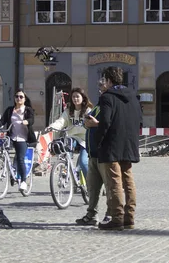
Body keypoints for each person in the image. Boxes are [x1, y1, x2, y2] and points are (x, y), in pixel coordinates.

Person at [94, 66, 142, 231]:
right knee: (128, 180)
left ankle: (117, 218)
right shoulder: (133, 96)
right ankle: (129, 218)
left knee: (115, 181)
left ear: (108, 80)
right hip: (129, 144)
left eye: (104, 80)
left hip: (112, 144)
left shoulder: (107, 97)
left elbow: (105, 121)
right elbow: (139, 121)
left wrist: (97, 137)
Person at [77, 79, 110, 226]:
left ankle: (110, 214)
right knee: (92, 187)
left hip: (105, 153)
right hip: (93, 153)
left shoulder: (109, 105)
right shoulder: (98, 106)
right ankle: (91, 214)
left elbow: (109, 125)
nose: (99, 89)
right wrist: (87, 122)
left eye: (102, 85)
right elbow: (90, 122)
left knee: (110, 187)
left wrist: (95, 124)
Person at [0, 90, 37, 192]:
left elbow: (32, 119)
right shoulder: (10, 110)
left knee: (20, 158)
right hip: (11, 137)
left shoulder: (28, 110)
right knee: (3, 150)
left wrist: (27, 121)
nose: (19, 98)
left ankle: (23, 181)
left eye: (21, 97)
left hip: (23, 138)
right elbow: (2, 121)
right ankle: (9, 169)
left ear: (24, 99)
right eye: (17, 96)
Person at [46, 88, 92, 178]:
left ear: (83, 98)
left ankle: (90, 185)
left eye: (77, 97)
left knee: (83, 162)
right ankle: (65, 168)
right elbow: (61, 121)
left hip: (85, 140)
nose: (75, 99)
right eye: (73, 97)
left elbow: (92, 123)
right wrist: (52, 127)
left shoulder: (88, 111)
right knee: (66, 147)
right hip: (73, 138)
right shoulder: (68, 111)